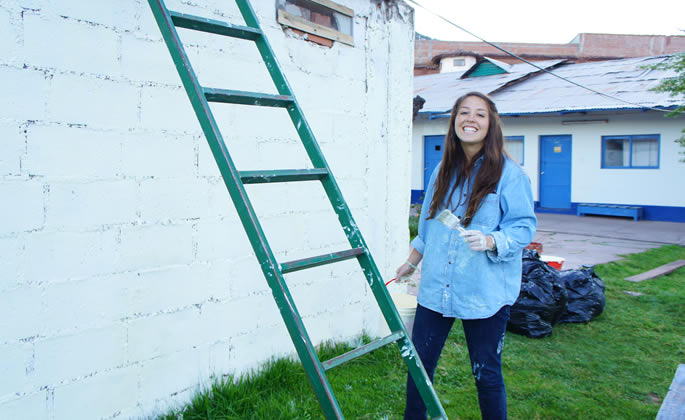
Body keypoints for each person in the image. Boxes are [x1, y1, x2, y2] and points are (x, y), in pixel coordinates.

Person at [398, 92, 536, 420]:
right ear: (454, 121)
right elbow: (429, 226)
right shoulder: (442, 171)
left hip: (484, 293)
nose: (470, 119)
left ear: (491, 125)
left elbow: (524, 228)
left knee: (486, 374)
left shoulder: (510, 175)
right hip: (435, 290)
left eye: (480, 114)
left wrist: (491, 239)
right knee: (419, 369)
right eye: (463, 112)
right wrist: (412, 261)